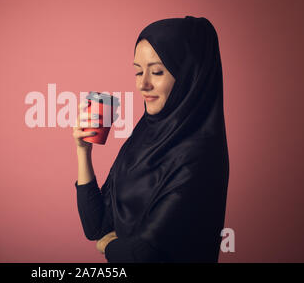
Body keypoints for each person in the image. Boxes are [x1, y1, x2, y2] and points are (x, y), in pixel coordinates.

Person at [72, 15, 230, 263]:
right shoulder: (143, 135)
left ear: (188, 75)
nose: (142, 85)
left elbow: (146, 255)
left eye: (157, 71)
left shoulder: (200, 155)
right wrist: (83, 152)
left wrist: (109, 247)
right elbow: (95, 226)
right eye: (137, 72)